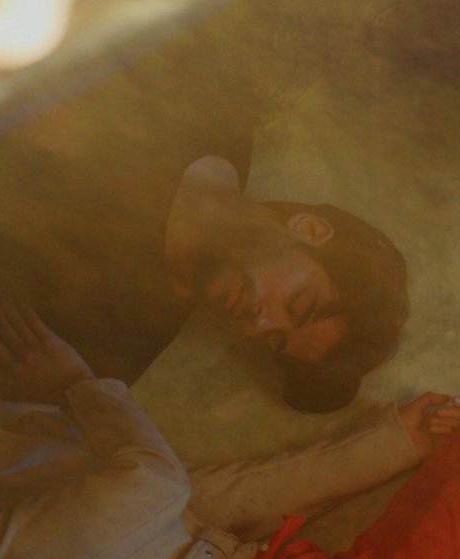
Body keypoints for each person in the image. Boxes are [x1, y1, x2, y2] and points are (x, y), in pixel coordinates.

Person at [0, 302, 458, 559]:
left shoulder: (30, 439)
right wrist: (78, 385)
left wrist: (400, 442)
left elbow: (209, 495)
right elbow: (153, 487)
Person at [165, 156, 407, 411]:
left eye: (275, 339)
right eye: (298, 304)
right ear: (310, 229)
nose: (258, 325)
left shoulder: (141, 330)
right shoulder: (226, 140)